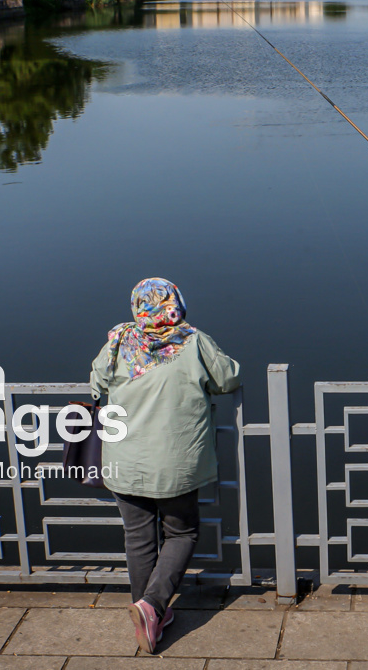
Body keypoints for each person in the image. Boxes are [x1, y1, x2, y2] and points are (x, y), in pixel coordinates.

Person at [90, 278, 241, 654]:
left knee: (138, 538)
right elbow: (228, 377)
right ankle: (153, 607)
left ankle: (149, 615)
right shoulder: (193, 341)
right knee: (182, 533)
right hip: (174, 463)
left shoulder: (119, 341)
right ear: (176, 303)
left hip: (124, 462)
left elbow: (97, 384)